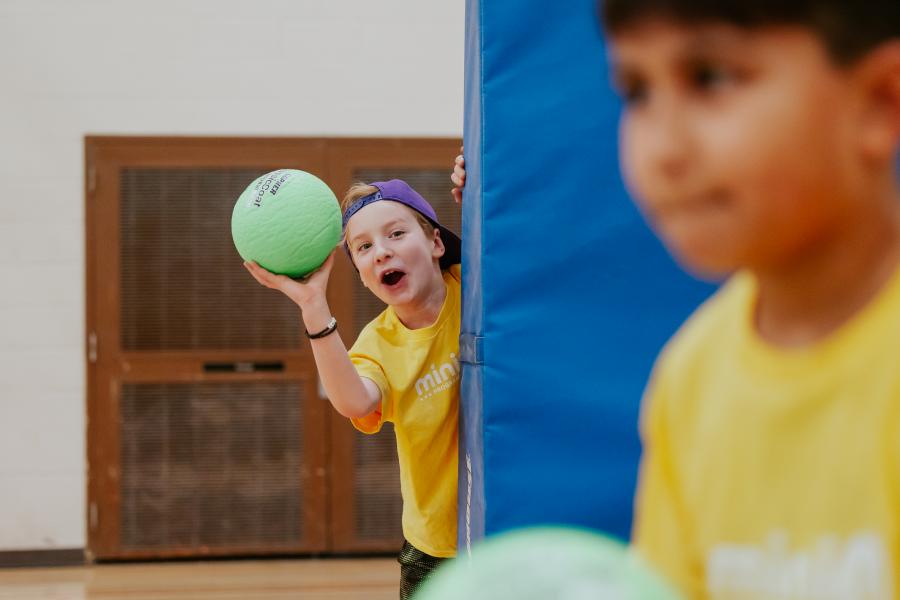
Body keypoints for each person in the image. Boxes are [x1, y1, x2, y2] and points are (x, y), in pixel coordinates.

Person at [452, 1, 900, 595]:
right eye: (637, 91)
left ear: (878, 102)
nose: (663, 149)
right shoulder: (692, 376)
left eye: (710, 78)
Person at [244, 179, 461, 599]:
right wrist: (313, 306)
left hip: (509, 519)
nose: (381, 251)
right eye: (362, 248)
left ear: (436, 243)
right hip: (437, 543)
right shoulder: (378, 345)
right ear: (363, 277)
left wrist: (478, 180)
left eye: (396, 233)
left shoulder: (478, 287)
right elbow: (354, 401)